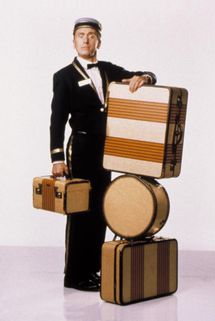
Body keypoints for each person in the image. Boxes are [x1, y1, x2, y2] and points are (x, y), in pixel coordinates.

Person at [50, 17, 157, 291]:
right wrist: (57, 158)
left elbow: (142, 76)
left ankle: (93, 269)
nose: (86, 40)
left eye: (91, 35)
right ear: (73, 41)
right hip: (81, 149)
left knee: (101, 208)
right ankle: (74, 275)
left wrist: (143, 78)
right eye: (81, 35)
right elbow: (57, 120)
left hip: (106, 151)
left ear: (99, 40)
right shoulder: (64, 76)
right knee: (81, 211)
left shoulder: (107, 69)